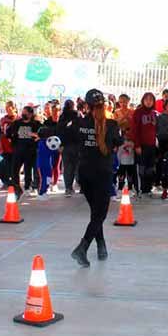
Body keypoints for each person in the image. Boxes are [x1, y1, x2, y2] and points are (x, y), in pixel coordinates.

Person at [69, 89, 124, 268]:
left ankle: (101, 246)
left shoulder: (78, 123)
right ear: (104, 105)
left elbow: (67, 136)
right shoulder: (112, 124)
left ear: (86, 105)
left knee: (95, 213)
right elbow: (117, 143)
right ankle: (82, 248)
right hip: (103, 173)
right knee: (100, 214)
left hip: (84, 173)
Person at [7, 105, 41, 197]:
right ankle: (16, 187)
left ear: (30, 114)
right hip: (18, 150)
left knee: (28, 169)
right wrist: (12, 139)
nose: (23, 114)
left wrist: (34, 135)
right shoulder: (17, 123)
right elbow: (8, 133)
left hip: (30, 150)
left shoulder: (36, 124)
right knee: (15, 169)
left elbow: (42, 134)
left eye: (26, 113)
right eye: (23, 112)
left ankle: (27, 187)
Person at [132, 92, 158, 197]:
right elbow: (135, 130)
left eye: (151, 99)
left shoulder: (154, 113)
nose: (149, 101)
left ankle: (148, 188)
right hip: (141, 145)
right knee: (141, 168)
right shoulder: (138, 112)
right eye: (146, 99)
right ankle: (139, 188)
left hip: (152, 145)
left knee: (150, 168)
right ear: (143, 100)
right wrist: (137, 145)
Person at [58, 99, 80, 196]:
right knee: (77, 166)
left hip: (65, 145)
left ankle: (68, 188)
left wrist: (61, 144)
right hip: (76, 144)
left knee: (67, 167)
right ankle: (79, 184)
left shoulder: (62, 117)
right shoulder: (76, 115)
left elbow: (59, 131)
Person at [0, 101, 17, 187]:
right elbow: (0, 131)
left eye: (9, 108)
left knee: (13, 166)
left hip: (14, 146)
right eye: (6, 108)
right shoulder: (3, 120)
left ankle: (13, 182)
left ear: (14, 108)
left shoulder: (18, 119)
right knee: (3, 165)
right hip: (4, 146)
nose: (7, 110)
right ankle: (6, 182)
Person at [36, 127, 58, 199]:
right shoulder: (42, 143)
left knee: (48, 178)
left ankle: (45, 191)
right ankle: (41, 193)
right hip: (42, 164)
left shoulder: (48, 142)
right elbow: (49, 151)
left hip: (48, 164)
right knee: (43, 178)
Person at [117, 127, 137, 192]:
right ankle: (120, 188)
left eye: (129, 135)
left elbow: (135, 152)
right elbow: (119, 153)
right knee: (121, 176)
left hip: (131, 162)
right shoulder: (121, 143)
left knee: (130, 176)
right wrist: (119, 161)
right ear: (124, 135)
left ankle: (130, 188)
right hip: (123, 162)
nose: (128, 136)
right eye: (126, 135)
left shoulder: (133, 143)